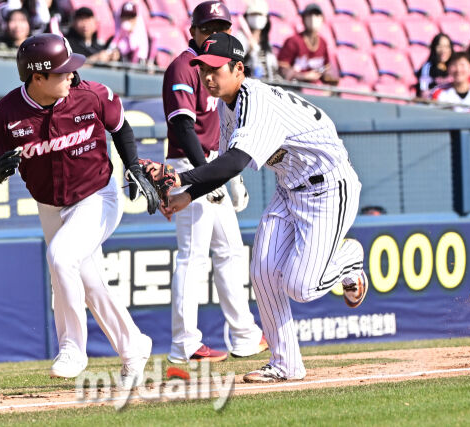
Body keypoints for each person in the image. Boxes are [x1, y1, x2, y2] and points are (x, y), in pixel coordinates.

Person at [158, 32, 368, 382]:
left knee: (301, 287)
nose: (207, 77)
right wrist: (187, 196)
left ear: (239, 69)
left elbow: (235, 163)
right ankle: (286, 364)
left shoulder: (256, 102)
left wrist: (180, 179)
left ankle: (350, 260)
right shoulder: (228, 105)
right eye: (203, 69)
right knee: (263, 272)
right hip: (290, 188)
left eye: (215, 69)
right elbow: (224, 166)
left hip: (330, 187)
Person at [0, 34, 158, 388]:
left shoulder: (91, 95)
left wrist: (133, 166)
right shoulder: (8, 112)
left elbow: (120, 127)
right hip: (49, 204)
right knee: (90, 281)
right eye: (62, 71)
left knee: (60, 258)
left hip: (97, 196)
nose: (72, 75)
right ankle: (134, 346)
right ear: (37, 77)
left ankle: (72, 347)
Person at [162, 0, 266, 364]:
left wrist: (227, 173)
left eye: (221, 28)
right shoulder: (184, 65)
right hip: (187, 164)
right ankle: (184, 343)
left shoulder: (221, 68)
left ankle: (245, 335)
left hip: (211, 163)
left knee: (231, 251)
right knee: (193, 255)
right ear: (192, 31)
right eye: (207, 28)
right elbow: (183, 127)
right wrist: (206, 175)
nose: (214, 33)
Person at [277, 3, 337, 85]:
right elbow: (282, 72)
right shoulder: (293, 41)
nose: (313, 19)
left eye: (317, 15)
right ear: (303, 19)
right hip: (294, 88)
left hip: (315, 88)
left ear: (322, 19)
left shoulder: (323, 42)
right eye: (309, 15)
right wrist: (304, 76)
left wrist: (329, 77)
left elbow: (326, 69)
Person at [235, 0, 278, 81]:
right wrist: (249, 52)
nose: (257, 17)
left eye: (260, 14)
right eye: (253, 14)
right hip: (248, 83)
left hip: (267, 84)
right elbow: (235, 65)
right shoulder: (240, 38)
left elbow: (273, 68)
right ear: (247, 16)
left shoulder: (266, 42)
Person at [415, 33, 453, 99]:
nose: (443, 50)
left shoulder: (454, 67)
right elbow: (424, 92)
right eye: (439, 46)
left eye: (447, 47)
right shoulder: (427, 68)